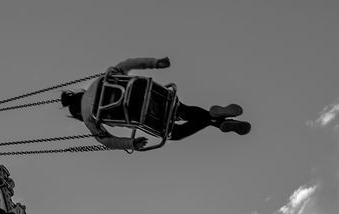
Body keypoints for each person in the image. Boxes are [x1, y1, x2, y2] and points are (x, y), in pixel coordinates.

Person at [60, 57, 251, 151]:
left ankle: (214, 120)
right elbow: (127, 64)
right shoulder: (100, 81)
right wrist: (155, 63)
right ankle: (215, 118)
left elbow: (105, 140)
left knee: (175, 133)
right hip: (156, 95)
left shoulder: (88, 118)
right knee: (182, 110)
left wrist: (131, 143)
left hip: (144, 116)